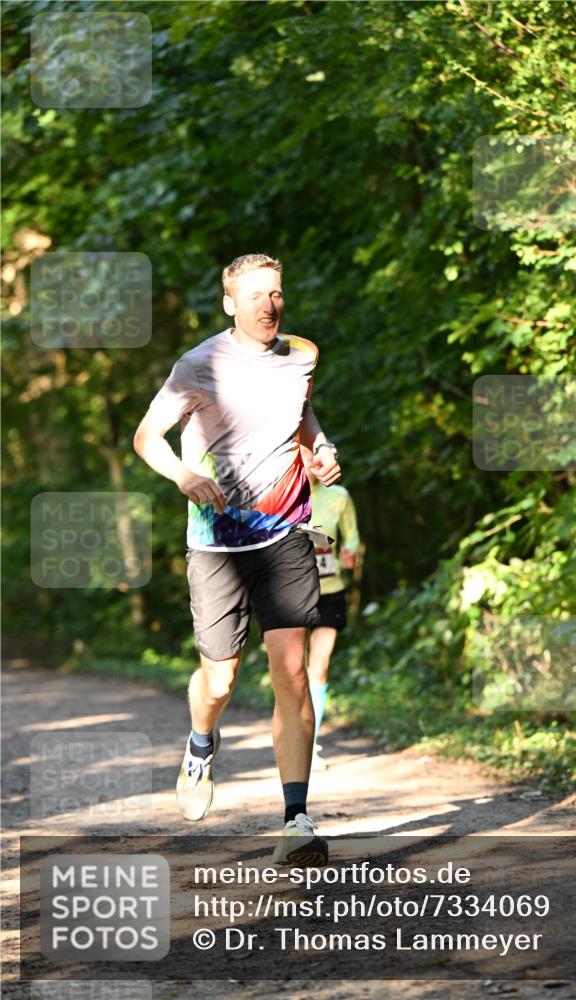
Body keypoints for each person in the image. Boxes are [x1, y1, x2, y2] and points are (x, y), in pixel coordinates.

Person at [133, 253, 341, 866]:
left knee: (292, 672)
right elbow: (147, 436)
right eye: (255, 296)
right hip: (217, 542)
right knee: (220, 680)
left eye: (275, 293)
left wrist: (322, 448)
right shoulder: (199, 364)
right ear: (230, 304)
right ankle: (201, 742)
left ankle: (296, 819)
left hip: (286, 530)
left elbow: (302, 416)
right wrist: (183, 476)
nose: (268, 305)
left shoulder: (301, 355)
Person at [301, 447, 360, 769]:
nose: (311, 463)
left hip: (330, 591)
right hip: (290, 592)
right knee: (292, 670)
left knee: (319, 666)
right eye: (304, 456)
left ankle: (309, 744)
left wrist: (349, 553)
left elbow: (352, 538)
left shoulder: (339, 496)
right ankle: (292, 736)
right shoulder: (280, 496)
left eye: (315, 457)